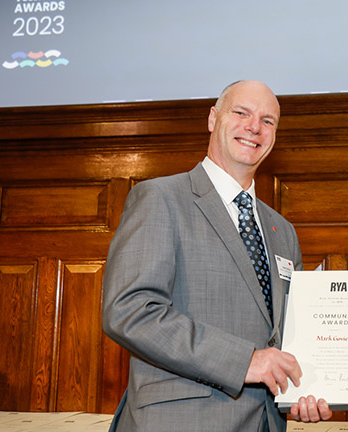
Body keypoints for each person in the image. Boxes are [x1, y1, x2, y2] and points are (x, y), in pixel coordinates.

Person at [102, 80, 331, 432]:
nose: (254, 127)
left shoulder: (282, 231)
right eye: (241, 113)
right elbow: (130, 311)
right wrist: (244, 362)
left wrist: (307, 386)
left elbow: (287, 337)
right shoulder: (160, 198)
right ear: (212, 119)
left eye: (268, 121)